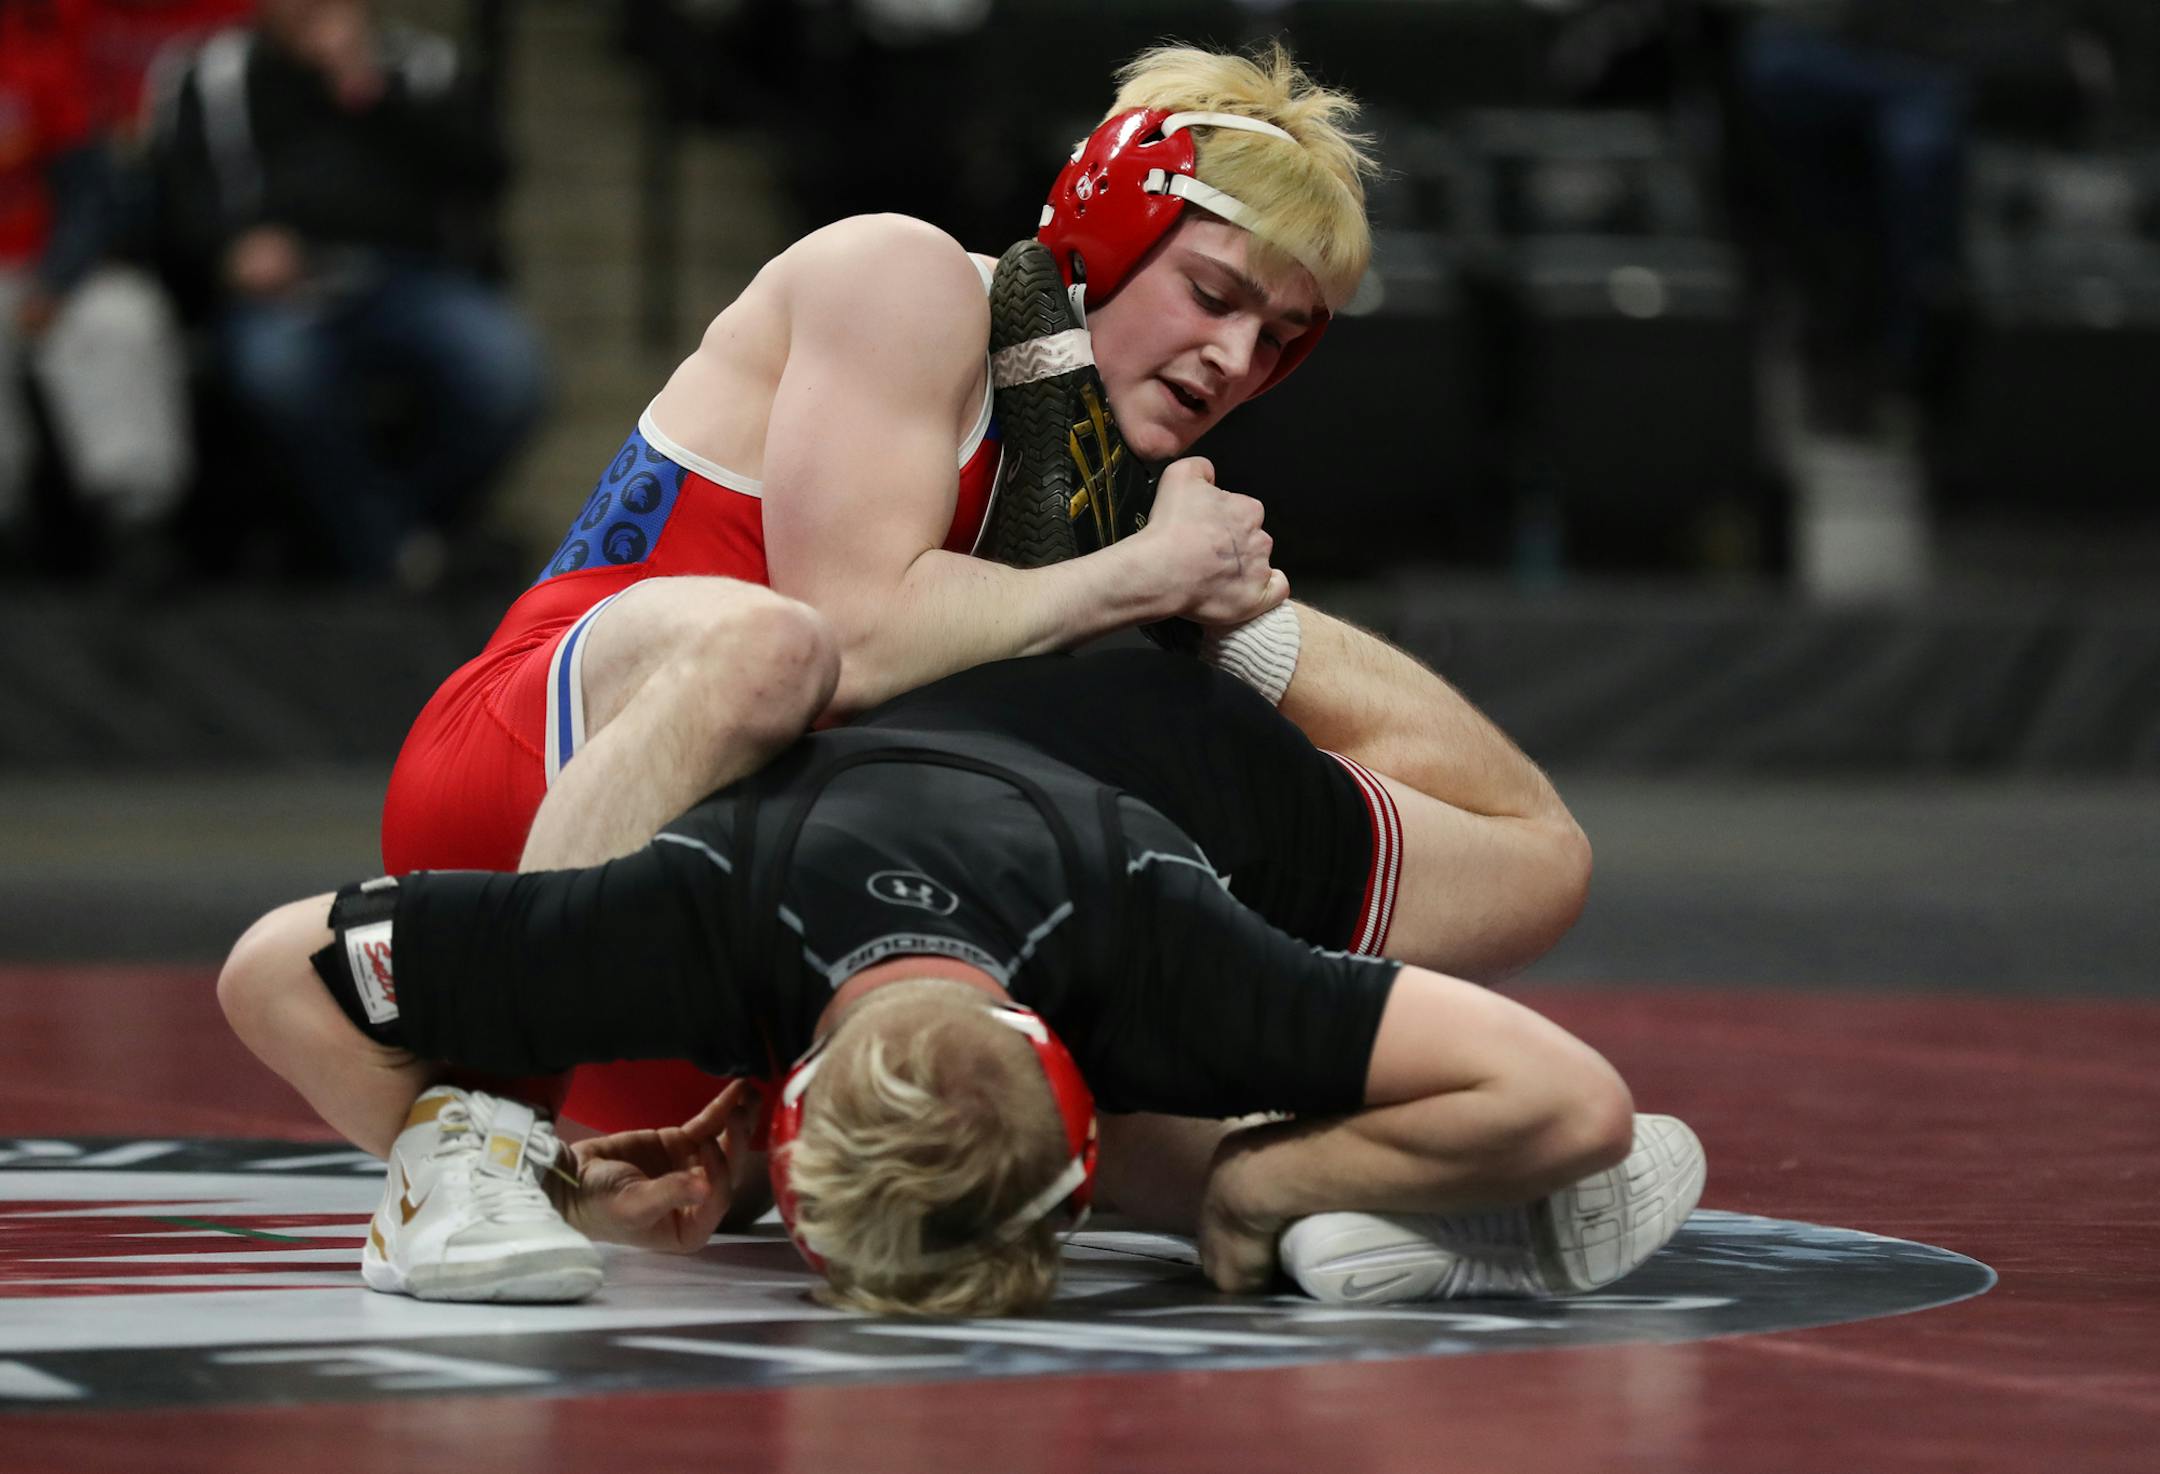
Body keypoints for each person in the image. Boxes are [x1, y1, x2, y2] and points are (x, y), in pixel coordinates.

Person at [374, 41, 1378, 1132]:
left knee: (1071, 1123)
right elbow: (845, 638)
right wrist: (1145, 575)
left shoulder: (1108, 479)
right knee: (779, 652)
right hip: (536, 764)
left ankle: (1368, 1193)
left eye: (1279, 337)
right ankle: (478, 1138)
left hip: (728, 883)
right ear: (1108, 228)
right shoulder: (905, 279)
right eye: (1212, 293)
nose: (1236, 357)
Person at [219, 644, 1703, 1316]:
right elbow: (1573, 1100)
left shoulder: (1159, 950)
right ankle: (1283, 1200)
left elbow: (1583, 1104)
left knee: (1544, 859)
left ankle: (1254, 1200)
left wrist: (1245, 1192)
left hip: (1184, 734)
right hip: (890, 701)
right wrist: (496, 1155)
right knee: (737, 662)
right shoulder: (685, 925)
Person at [148, 0, 544, 584]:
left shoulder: (423, 66)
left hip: (408, 280)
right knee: (276, 374)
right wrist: (228, 250)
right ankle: (396, 553)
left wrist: (372, 90)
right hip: (281, 294)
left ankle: (390, 538)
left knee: (509, 368)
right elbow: (168, 195)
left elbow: (487, 174)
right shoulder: (210, 74)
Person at [0, 0, 194, 570]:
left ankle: (135, 519)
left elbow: (92, 191)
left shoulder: (31, 56)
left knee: (121, 316)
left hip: (38, 265)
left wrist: (56, 280)